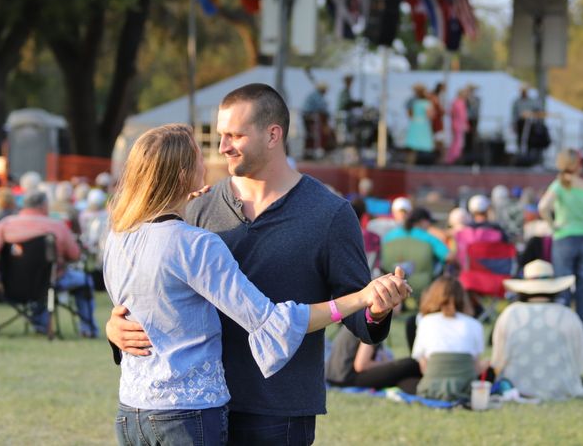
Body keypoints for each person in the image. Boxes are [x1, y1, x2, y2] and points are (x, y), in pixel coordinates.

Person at [107, 83, 409, 445]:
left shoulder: (330, 214)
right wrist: (116, 328)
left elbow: (358, 311)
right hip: (193, 409)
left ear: (272, 135)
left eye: (235, 135)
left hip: (277, 409)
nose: (222, 147)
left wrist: (375, 308)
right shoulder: (196, 208)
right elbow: (156, 287)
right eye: (220, 135)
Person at [493, 260, 583, 401]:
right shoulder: (567, 315)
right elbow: (580, 361)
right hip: (560, 387)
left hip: (514, 386)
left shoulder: (510, 314)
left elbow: (498, 360)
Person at [0, 191, 97, 336]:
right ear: (44, 206)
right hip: (50, 282)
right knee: (85, 280)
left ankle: (40, 323)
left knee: (42, 278)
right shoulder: (57, 226)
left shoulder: (5, 225)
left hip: (10, 283)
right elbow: (75, 255)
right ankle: (88, 328)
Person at [539, 148, 583, 331]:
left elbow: (543, 207)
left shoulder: (558, 185)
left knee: (562, 285)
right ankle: (581, 331)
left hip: (564, 237)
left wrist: (553, 224)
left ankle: (561, 328)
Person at [411, 276, 486, 401]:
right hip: (465, 387)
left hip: (432, 386)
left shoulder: (426, 322)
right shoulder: (474, 324)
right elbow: (476, 366)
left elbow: (423, 365)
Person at [325, 324, 422, 394]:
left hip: (333, 376)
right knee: (411, 364)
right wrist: (388, 364)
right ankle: (423, 387)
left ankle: (420, 388)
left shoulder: (359, 316)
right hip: (346, 378)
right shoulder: (374, 323)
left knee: (400, 375)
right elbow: (361, 365)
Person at [404, 83, 435, 163]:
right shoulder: (427, 103)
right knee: (424, 145)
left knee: (413, 146)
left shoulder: (412, 101)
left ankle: (411, 162)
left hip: (415, 124)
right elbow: (430, 115)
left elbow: (409, 114)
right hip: (423, 125)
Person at [302, 82, 333, 158]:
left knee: (310, 134)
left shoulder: (315, 95)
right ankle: (316, 149)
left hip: (308, 116)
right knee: (314, 134)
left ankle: (310, 151)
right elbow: (322, 108)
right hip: (310, 116)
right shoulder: (317, 96)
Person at [445, 86, 469, 165]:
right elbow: (463, 116)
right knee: (458, 141)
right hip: (459, 124)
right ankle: (455, 157)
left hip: (454, 123)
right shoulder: (461, 103)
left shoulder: (454, 102)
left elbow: (451, 113)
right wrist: (465, 124)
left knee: (455, 141)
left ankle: (451, 157)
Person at [464, 84, 480, 155]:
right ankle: (467, 150)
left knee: (473, 135)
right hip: (468, 119)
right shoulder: (466, 99)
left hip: (473, 119)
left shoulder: (477, 99)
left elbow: (475, 108)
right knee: (467, 135)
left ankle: (472, 150)